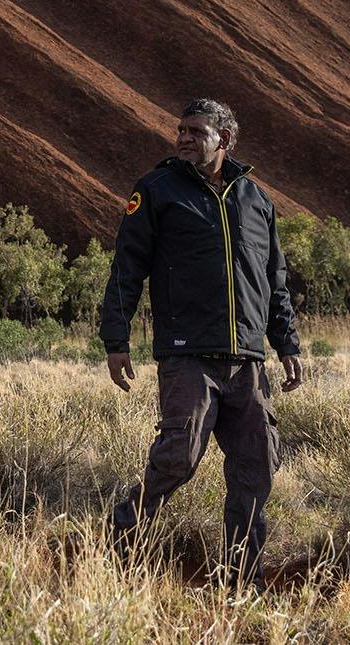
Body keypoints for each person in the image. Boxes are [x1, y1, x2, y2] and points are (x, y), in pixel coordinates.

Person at [99, 98, 303, 581]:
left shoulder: (256, 199)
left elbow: (275, 280)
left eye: (196, 131)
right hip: (188, 354)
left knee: (257, 466)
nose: (184, 137)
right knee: (177, 458)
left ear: (223, 139)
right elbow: (127, 268)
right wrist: (116, 338)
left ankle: (241, 577)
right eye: (181, 130)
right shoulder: (156, 190)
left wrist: (287, 344)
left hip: (248, 358)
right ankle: (119, 544)